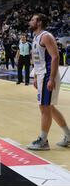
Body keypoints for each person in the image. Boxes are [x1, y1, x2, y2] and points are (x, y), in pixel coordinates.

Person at [26, 14, 70, 150]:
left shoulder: (46, 36)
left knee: (44, 108)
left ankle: (43, 141)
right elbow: (37, 59)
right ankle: (69, 136)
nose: (30, 21)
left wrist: (51, 79)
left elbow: (55, 57)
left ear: (39, 23)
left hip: (47, 75)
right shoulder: (35, 37)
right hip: (41, 75)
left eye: (32, 19)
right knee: (49, 107)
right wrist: (34, 77)